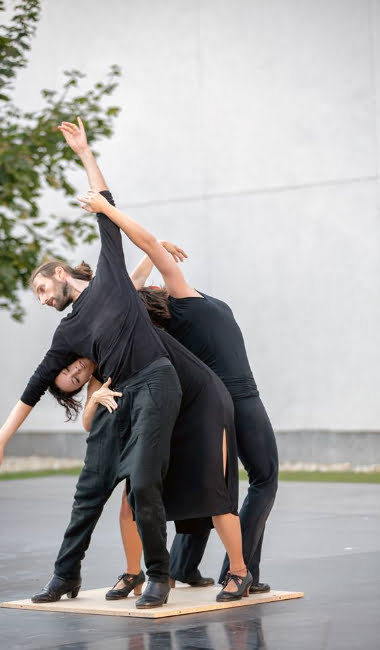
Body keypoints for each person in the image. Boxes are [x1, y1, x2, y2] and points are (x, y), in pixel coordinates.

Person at [0, 118, 183, 609]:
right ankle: (63, 577)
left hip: (156, 381)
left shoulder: (111, 272)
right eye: (39, 297)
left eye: (42, 289)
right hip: (114, 395)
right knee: (89, 490)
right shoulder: (67, 331)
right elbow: (33, 388)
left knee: (144, 482)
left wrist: (85, 153)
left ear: (59, 273)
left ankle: (159, 575)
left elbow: (105, 206)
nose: (43, 299)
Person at [77, 190, 279, 592]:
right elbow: (145, 254)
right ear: (157, 293)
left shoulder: (166, 323)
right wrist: (108, 211)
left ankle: (184, 566)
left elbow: (128, 288)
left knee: (206, 484)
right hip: (239, 398)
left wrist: (149, 258)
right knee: (263, 479)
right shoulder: (184, 300)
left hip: (211, 406)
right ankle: (242, 571)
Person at [42, 324, 253, 603]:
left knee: (212, 489)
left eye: (70, 369)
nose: (77, 371)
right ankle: (134, 573)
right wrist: (94, 400)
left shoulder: (110, 334)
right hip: (164, 409)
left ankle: (239, 572)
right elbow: (88, 423)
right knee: (133, 495)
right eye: (75, 379)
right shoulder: (98, 375)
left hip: (200, 401)